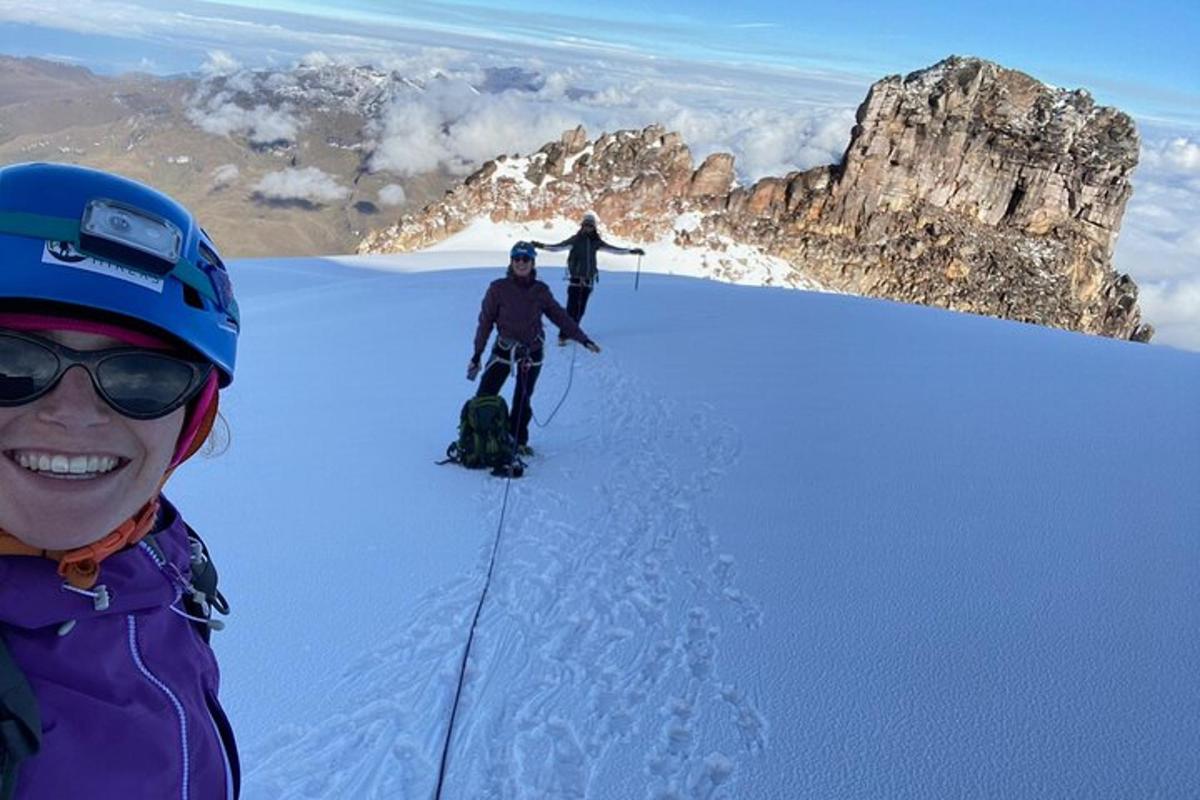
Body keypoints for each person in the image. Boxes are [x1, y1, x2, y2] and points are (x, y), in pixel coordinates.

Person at [0, 162, 240, 798]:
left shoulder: (155, 560)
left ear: (191, 418)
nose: (72, 416)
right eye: (10, 360)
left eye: (141, 378)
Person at [468, 241, 600, 455]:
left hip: (532, 351)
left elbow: (559, 315)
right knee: (485, 393)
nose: (521, 263)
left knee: (523, 397)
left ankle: (517, 441)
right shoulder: (498, 288)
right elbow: (485, 322)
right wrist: (477, 354)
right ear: (511, 262)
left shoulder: (540, 291)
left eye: (526, 259)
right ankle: (480, 436)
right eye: (517, 259)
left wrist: (582, 339)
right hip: (504, 348)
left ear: (532, 262)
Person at [532, 212, 644, 343]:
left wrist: (631, 251)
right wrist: (541, 246)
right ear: (582, 226)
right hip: (575, 280)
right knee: (571, 308)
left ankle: (572, 332)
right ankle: (563, 335)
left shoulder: (596, 242)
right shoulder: (575, 240)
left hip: (588, 281)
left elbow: (614, 250)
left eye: (590, 226)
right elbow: (557, 247)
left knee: (581, 310)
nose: (588, 228)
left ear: (594, 227)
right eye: (586, 225)